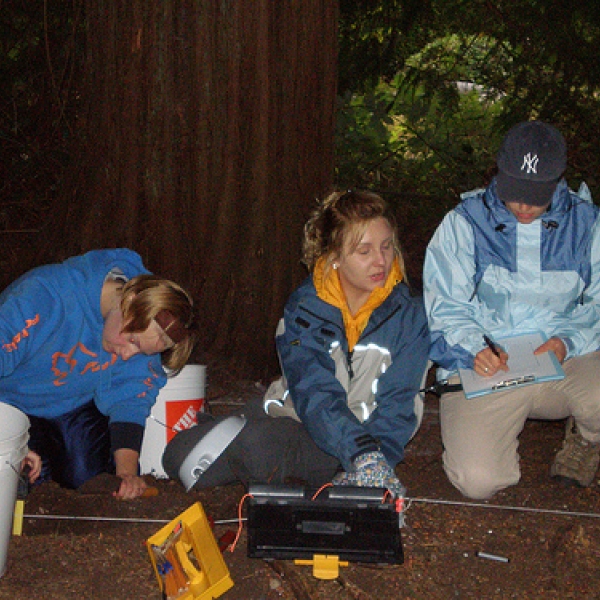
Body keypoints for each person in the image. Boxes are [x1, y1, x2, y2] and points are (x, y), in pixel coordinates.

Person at [163, 190, 430, 497]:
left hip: (364, 443)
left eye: (386, 247)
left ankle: (276, 461)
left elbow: (401, 402)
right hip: (303, 423)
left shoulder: (409, 315)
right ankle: (249, 439)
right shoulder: (306, 307)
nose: (381, 261)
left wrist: (373, 458)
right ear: (334, 258)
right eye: (364, 251)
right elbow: (313, 390)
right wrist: (359, 453)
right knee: (177, 455)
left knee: (258, 449)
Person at [423, 120, 600, 500]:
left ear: (558, 181)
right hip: (488, 362)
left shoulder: (587, 224)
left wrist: (570, 340)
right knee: (477, 480)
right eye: (516, 192)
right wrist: (473, 349)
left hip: (565, 359)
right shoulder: (465, 222)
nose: (524, 206)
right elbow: (444, 308)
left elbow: (598, 303)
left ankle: (588, 437)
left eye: (537, 196)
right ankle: (497, 438)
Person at [0, 248, 197, 499]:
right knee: (19, 482)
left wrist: (126, 472)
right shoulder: (44, 295)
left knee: (91, 482)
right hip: (8, 404)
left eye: (140, 352)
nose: (127, 355)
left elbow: (131, 399)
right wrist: (9, 440)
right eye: (133, 342)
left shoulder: (141, 327)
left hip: (68, 407)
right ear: (128, 300)